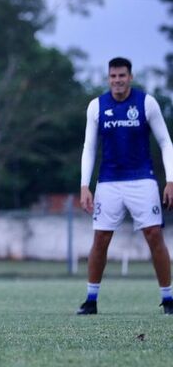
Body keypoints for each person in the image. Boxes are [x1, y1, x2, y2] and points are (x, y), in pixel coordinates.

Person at [77, 57, 173, 315]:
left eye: (122, 76)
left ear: (130, 77)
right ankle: (91, 300)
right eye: (113, 76)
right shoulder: (97, 106)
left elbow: (166, 143)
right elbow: (89, 148)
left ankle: (168, 299)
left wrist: (171, 180)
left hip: (142, 180)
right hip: (109, 182)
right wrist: (85, 185)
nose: (117, 81)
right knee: (100, 239)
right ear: (108, 78)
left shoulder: (146, 103)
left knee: (154, 235)